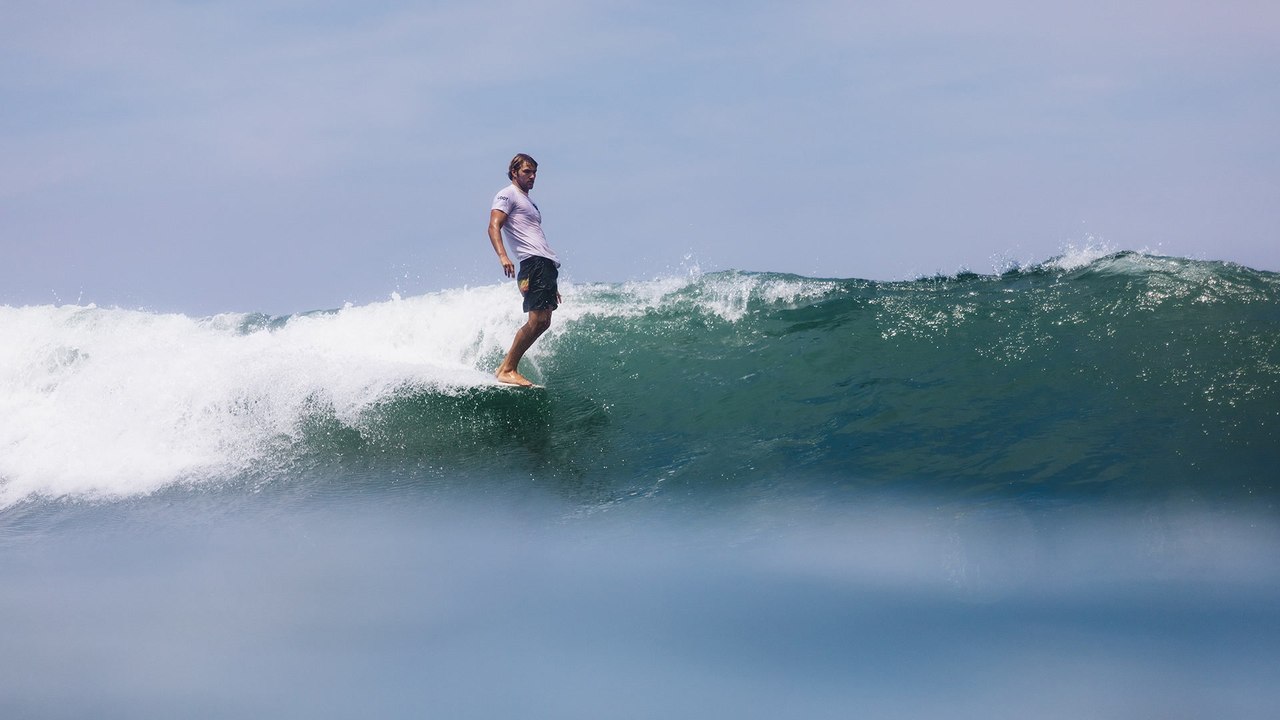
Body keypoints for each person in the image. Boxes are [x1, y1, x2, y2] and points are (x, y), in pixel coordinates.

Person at [488, 153, 561, 387]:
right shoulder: (507, 194)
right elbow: (493, 226)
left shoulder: (530, 202)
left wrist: (553, 284)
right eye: (527, 172)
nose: (532, 176)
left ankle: (504, 367)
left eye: (534, 172)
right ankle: (508, 369)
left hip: (544, 264)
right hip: (532, 263)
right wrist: (503, 256)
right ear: (514, 173)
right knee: (536, 319)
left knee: (544, 321)